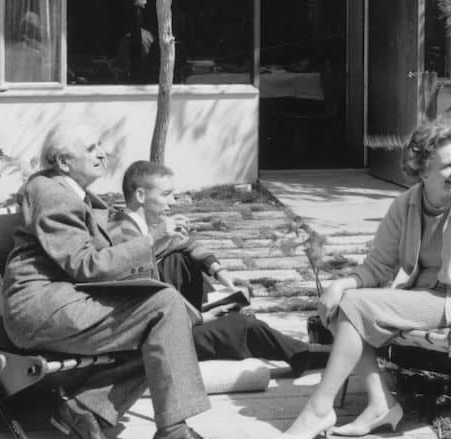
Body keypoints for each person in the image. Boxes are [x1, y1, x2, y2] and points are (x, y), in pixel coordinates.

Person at [269, 119, 451, 439]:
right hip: (420, 298)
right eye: (448, 166)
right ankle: (380, 404)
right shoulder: (406, 205)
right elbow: (378, 266)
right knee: (342, 306)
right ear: (422, 172)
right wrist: (342, 283)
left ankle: (320, 408)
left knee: (354, 306)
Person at [0, 123, 236, 439]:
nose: (102, 153)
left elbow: (105, 250)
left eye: (100, 146)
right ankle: (171, 432)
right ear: (65, 161)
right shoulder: (53, 196)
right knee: (166, 307)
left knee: (167, 314)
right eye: (92, 148)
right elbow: (86, 265)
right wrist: (152, 239)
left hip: (65, 299)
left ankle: (84, 408)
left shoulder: (71, 192)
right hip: (39, 309)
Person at [112, 161, 326, 376]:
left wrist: (218, 271)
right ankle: (302, 356)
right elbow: (149, 297)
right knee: (244, 326)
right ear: (140, 195)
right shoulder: (124, 237)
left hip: (173, 319)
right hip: (155, 339)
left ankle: (225, 315)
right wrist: (202, 318)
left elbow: (186, 244)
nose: (173, 201)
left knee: (181, 259)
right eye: (166, 194)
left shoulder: (142, 228)